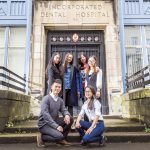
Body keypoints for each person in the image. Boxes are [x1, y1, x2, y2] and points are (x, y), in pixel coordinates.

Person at [37, 79, 73, 147]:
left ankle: (62, 139)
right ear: (51, 87)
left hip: (54, 121)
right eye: (56, 86)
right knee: (59, 136)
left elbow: (64, 110)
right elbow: (46, 115)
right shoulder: (46, 99)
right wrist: (56, 126)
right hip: (44, 124)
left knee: (70, 119)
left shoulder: (60, 100)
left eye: (59, 87)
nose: (57, 88)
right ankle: (42, 137)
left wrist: (67, 115)